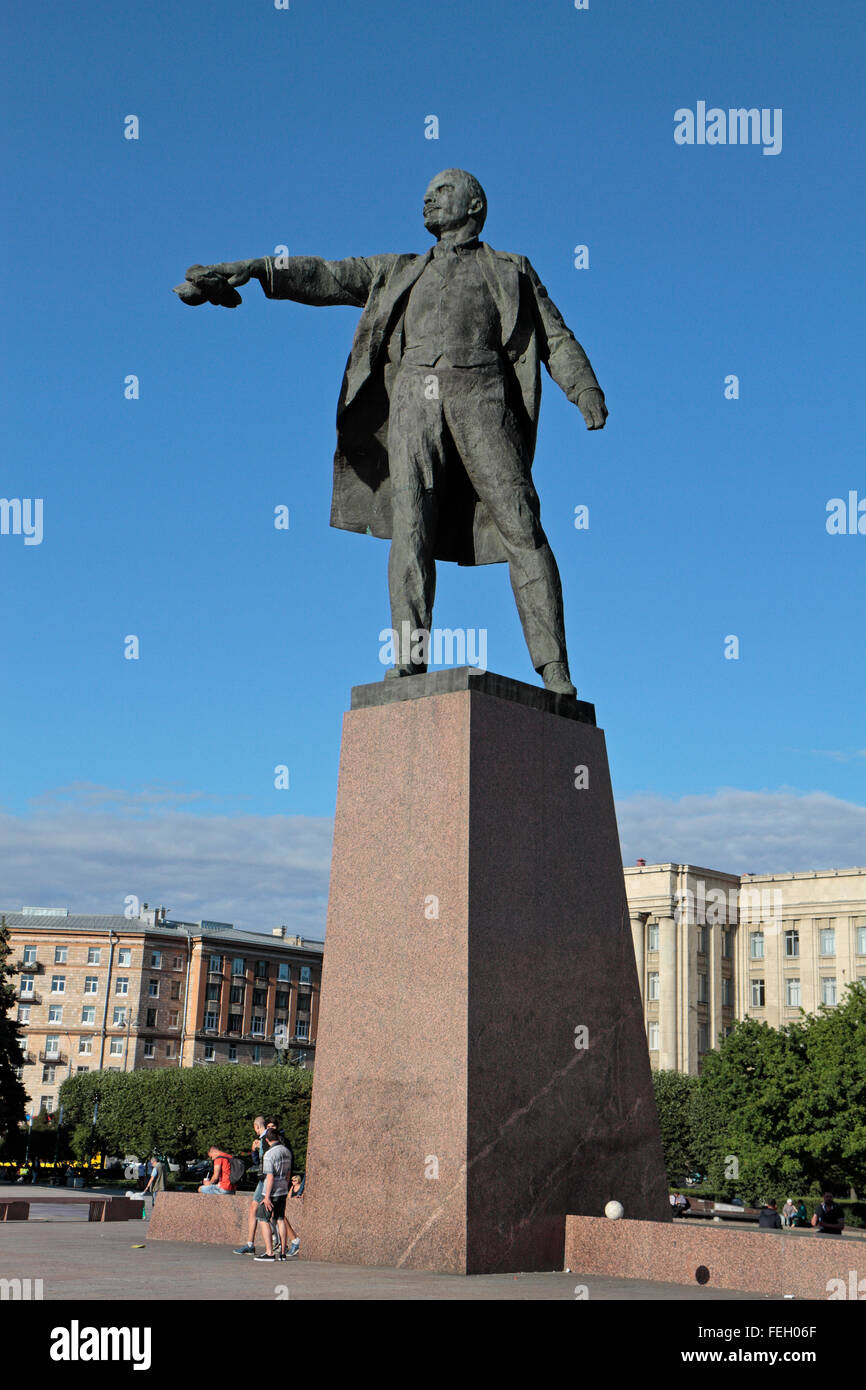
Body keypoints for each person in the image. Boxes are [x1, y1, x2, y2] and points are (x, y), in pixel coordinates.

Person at [175, 169, 607, 696]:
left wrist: (584, 390)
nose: (428, 197)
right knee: (412, 530)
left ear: (475, 205)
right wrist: (255, 268)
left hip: (483, 398)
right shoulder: (397, 270)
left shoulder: (511, 269)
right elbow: (325, 275)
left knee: (522, 525)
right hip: (414, 401)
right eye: (427, 191)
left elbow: (554, 338)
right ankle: (410, 659)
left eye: (443, 190)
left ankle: (554, 669)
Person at [253, 1130, 297, 1262]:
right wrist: (285, 1185)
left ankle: (269, 1252)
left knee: (262, 1218)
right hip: (283, 1189)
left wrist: (266, 1197)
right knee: (280, 1219)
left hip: (271, 1191)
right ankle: (283, 1253)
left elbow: (270, 1177)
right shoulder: (286, 1151)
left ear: (266, 1140)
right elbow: (288, 1173)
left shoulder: (269, 1154)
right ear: (277, 1137)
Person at [233, 1116, 272, 1255]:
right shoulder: (263, 1140)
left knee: (275, 1213)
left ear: (256, 1126)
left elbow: (267, 1159)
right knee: (254, 1208)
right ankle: (250, 1244)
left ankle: (292, 1240)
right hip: (264, 1178)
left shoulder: (267, 1139)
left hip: (268, 1178)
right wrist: (254, 1150)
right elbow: (258, 1162)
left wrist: (257, 1149)